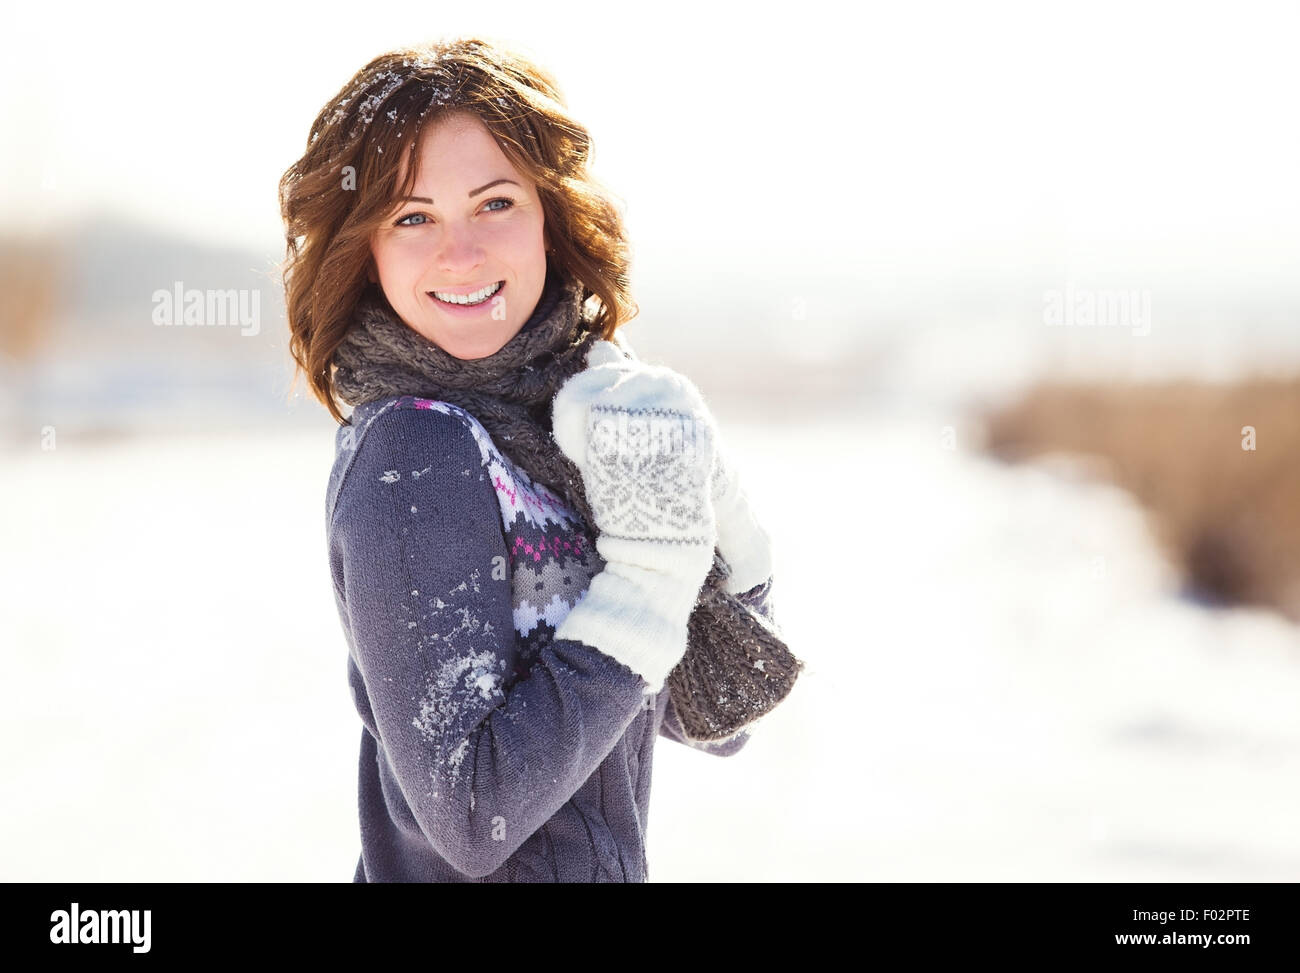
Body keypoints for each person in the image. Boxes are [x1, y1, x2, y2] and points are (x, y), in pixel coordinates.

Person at [278, 36, 782, 882]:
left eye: (496, 202)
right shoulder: (418, 449)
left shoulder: (563, 424)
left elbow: (715, 710)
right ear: (362, 248)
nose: (461, 252)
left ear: (551, 212)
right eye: (412, 217)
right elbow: (473, 814)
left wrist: (722, 523)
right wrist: (646, 582)